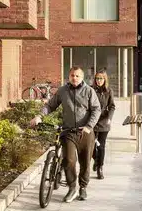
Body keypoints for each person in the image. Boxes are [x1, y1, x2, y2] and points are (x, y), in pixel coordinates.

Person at [30, 66, 101, 202]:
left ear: (82, 78)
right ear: (69, 77)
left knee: (85, 163)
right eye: (72, 75)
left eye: (77, 76)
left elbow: (96, 110)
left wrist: (88, 126)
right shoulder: (63, 91)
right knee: (69, 160)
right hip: (68, 132)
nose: (74, 78)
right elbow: (50, 105)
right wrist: (39, 116)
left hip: (85, 132)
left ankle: (83, 187)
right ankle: (72, 187)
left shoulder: (89, 91)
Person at [91, 70, 115, 180]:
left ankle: (100, 168)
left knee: (101, 146)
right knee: (91, 146)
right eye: (97, 78)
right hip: (92, 121)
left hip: (104, 122)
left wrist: (109, 118)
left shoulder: (109, 91)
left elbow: (112, 106)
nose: (99, 80)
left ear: (105, 79)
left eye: (101, 78)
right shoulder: (91, 90)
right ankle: (96, 159)